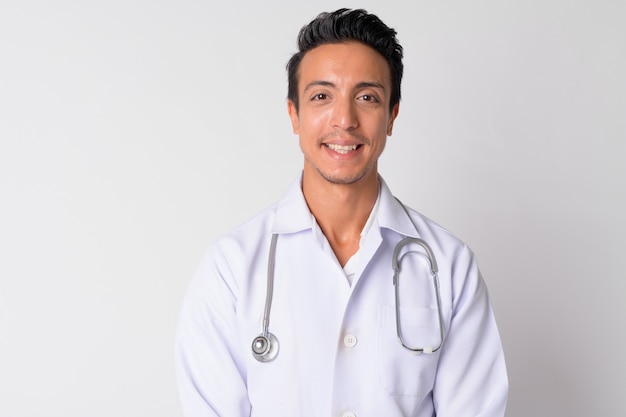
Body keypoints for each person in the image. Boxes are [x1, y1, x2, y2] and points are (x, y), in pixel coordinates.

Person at [175, 8, 508, 417]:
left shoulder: (450, 265)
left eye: (367, 97)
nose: (345, 120)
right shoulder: (230, 268)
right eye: (321, 96)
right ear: (294, 114)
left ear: (392, 116)